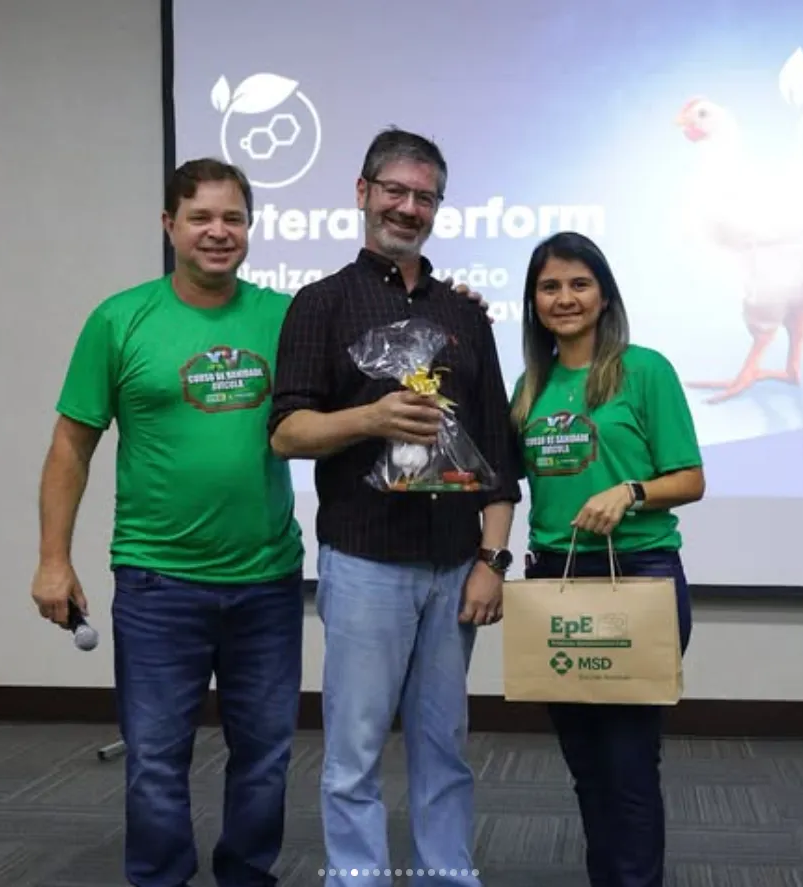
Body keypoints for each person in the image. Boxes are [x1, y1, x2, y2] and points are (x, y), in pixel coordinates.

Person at [29, 157, 487, 887]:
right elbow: (69, 447)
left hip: (267, 578)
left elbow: (394, 355)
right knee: (155, 756)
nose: (218, 232)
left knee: (267, 757)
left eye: (233, 218)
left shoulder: (289, 315)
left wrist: (455, 305)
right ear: (170, 225)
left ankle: (247, 877)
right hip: (156, 580)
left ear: (249, 227)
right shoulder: (119, 320)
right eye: (201, 218)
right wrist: (54, 559)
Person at [268, 127, 522, 887]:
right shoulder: (320, 304)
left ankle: (449, 874)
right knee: (354, 748)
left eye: (425, 197)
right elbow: (287, 432)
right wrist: (371, 418)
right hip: (364, 561)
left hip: (455, 566)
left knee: (446, 746)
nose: (408, 208)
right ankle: (358, 877)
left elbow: (496, 451)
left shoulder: (464, 315)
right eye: (395, 191)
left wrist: (492, 559)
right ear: (363, 192)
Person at [510, 231, 705, 887]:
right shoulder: (530, 386)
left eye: (579, 283)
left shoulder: (644, 370)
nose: (564, 298)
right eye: (549, 287)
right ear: (534, 303)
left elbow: (690, 478)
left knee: (626, 766)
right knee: (586, 766)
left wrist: (631, 491)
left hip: (636, 580)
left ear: (604, 295)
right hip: (555, 581)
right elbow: (497, 475)